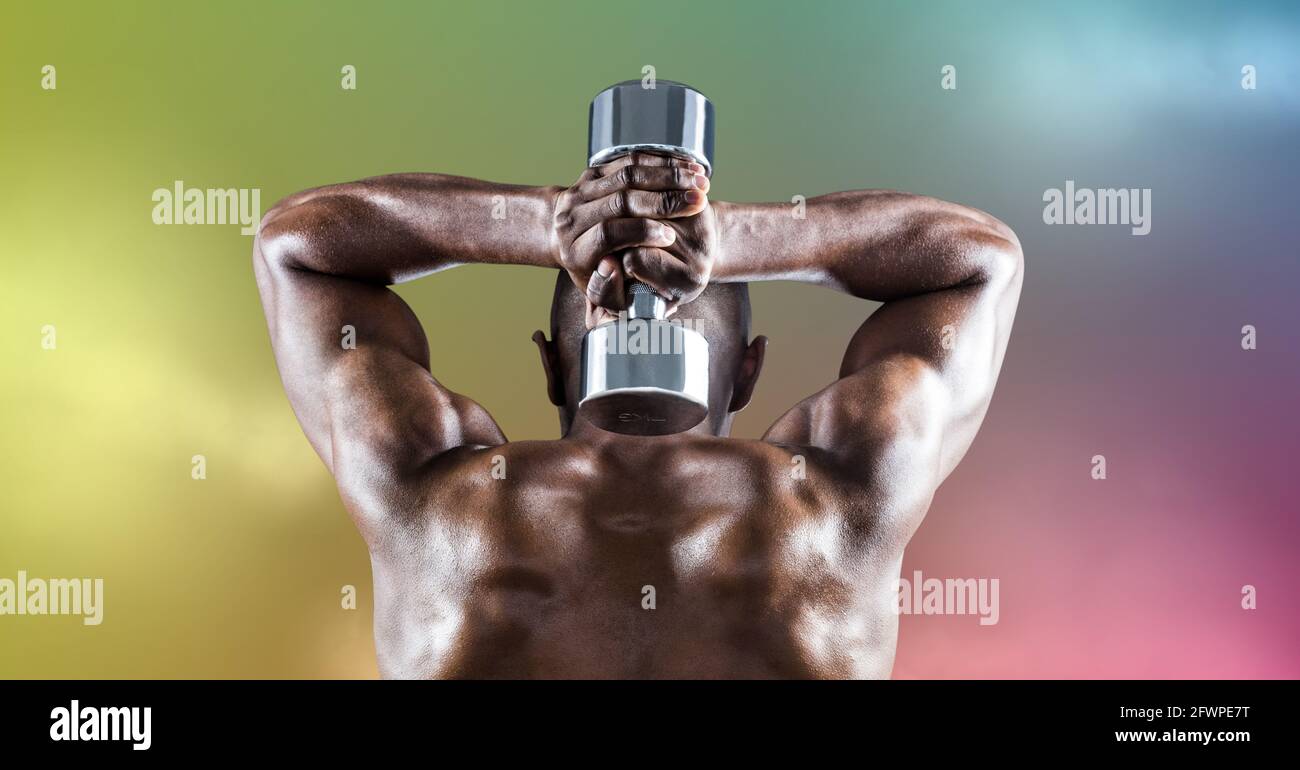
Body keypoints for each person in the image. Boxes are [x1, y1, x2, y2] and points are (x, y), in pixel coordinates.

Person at [252, 152, 1023, 678]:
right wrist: (739, 239)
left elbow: (299, 247)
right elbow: (981, 261)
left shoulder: (432, 489)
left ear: (551, 367)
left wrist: (553, 224)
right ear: (747, 371)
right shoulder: (843, 490)